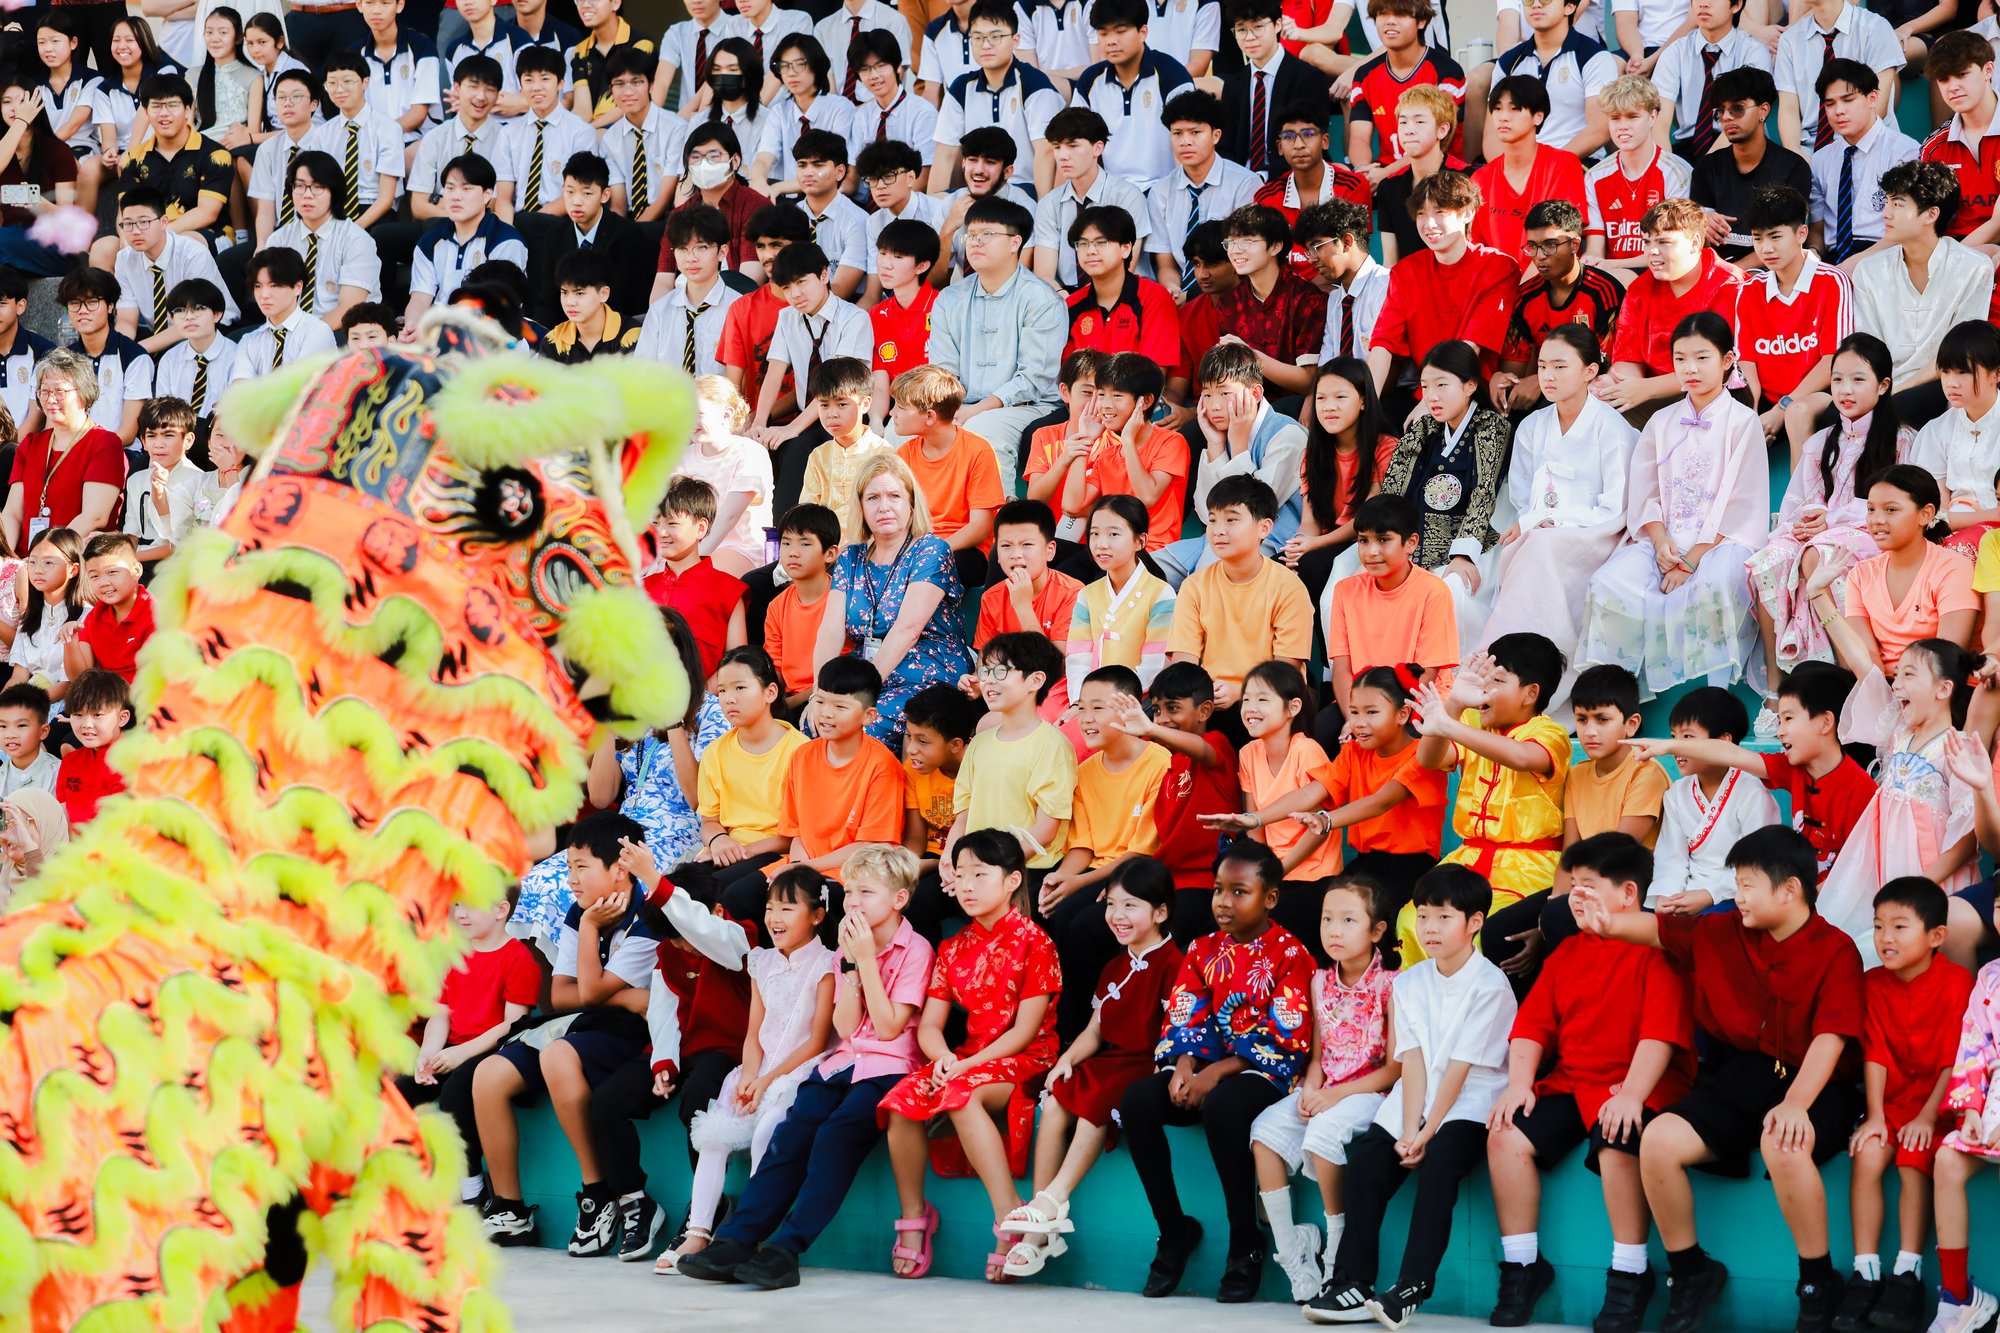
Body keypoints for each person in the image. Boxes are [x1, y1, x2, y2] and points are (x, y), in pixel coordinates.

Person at [1576, 826, 1865, 1333]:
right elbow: (1656, 931)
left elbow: (1831, 1039)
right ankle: (1691, 1272)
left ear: (1790, 889)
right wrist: (1608, 923)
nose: (1738, 895)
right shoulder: (1722, 930)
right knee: (1659, 1141)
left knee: (1783, 1141)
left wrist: (1796, 1104)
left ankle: (1818, 1283)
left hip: (1816, 1083)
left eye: (1748, 884)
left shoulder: (1836, 951)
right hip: (1738, 1074)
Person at [674, 845, 934, 1291]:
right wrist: (852, 965)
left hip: (890, 1067)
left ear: (899, 900)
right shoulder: (845, 951)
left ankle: (787, 1248)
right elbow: (846, 1025)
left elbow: (890, 1028)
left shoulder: (916, 949)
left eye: (865, 893)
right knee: (790, 1133)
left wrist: (867, 961)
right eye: (849, 893)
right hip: (842, 1064)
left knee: (835, 1136)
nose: (853, 903)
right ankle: (737, 1240)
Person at [1484, 833, 1698, 1333]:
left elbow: (1659, 1035)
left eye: (1587, 886)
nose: (1574, 897)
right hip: (1573, 1083)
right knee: (1504, 1132)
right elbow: (1532, 1027)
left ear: (1628, 895)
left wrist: (1630, 1095)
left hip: (1642, 1085)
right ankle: (1522, 1265)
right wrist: (1519, 1084)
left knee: (1618, 1137)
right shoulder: (1567, 953)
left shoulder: (1657, 951)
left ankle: (1630, 1271)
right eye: (1572, 886)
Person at [1305, 863, 1514, 1328]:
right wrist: (1408, 1125)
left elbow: (1460, 1069)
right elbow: (1414, 1060)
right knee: (1367, 1164)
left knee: (1440, 1164)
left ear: (1475, 922)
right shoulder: (1412, 982)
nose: (1429, 929)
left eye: (1443, 917)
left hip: (1471, 1102)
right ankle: (1353, 1283)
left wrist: (1427, 1130)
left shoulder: (1490, 986)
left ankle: (1413, 1284)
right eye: (1422, 916)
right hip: (1414, 1098)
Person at [1121, 838, 1313, 1302]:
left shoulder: (1290, 953)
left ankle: (1245, 1241)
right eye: (1217, 890)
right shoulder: (1203, 948)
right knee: (1137, 1101)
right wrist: (1184, 1065)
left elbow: (1285, 1035)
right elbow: (1186, 1012)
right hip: (1207, 1068)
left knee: (1226, 1106)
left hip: (1264, 1074)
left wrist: (1215, 1073)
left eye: (1239, 891)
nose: (1224, 902)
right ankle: (1173, 1233)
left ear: (1269, 897)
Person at [879, 829, 1059, 1283]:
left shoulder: (1037, 942)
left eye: (980, 874)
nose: (967, 886)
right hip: (967, 1059)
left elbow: (1024, 1032)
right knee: (901, 1102)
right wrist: (940, 1058)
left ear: (1014, 880)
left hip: (1026, 1057)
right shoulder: (953, 947)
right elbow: (932, 1026)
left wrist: (963, 1067)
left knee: (960, 1093)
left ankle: (1009, 1221)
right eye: (960, 875)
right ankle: (915, 1218)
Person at [1002, 857, 1181, 1277]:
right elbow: (1095, 1031)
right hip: (1112, 1059)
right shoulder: (1114, 966)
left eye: (1131, 906)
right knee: (1060, 1094)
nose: (1117, 916)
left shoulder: (1175, 964)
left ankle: (1054, 1199)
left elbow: (1174, 1034)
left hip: (1147, 1066)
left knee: (1096, 1098)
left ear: (1160, 912)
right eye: (1112, 904)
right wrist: (1066, 1059)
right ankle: (1039, 1229)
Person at [1579, 312, 1769, 700]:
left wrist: (1692, 558)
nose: (1690, 368)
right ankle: (1613, 699)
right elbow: (1645, 491)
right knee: (1607, 585)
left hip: (1720, 543)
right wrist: (1660, 538)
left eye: (1702, 357)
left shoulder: (1743, 421)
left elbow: (1742, 502)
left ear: (1727, 360)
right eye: (1681, 358)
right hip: (1662, 539)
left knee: (1716, 586)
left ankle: (1716, 699)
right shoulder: (1662, 420)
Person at [514, 612, 726, 954]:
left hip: (677, 835)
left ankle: (585, 986)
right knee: (534, 882)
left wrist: (673, 718)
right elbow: (600, 796)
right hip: (622, 831)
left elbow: (699, 799)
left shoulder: (711, 712)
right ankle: (544, 996)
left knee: (571, 890)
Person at [1243, 874, 1398, 1302]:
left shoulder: (1392, 984)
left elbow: (1394, 1070)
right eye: (1328, 918)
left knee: (1323, 1135)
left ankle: (1336, 1250)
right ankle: (1292, 1249)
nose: (1334, 929)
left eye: (1349, 920)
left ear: (1377, 929)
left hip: (1370, 1093)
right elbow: (1316, 1057)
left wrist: (1332, 1097)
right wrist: (1312, 1089)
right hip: (1327, 1087)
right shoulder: (1319, 980)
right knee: (1265, 1133)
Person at [674, 867, 838, 1268]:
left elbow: (818, 1041)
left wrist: (767, 1080)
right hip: (757, 1069)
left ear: (817, 915)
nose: (774, 917)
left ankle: (751, 1231)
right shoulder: (761, 963)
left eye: (787, 907)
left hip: (798, 1074)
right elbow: (754, 1033)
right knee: (714, 1133)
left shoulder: (828, 966)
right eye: (769, 907)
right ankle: (699, 1231)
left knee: (769, 1129)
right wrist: (748, 1076)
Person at [1837, 877, 1977, 1332]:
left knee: (1914, 1159)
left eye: (1899, 927)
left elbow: (1951, 1061)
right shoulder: (1872, 984)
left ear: (1936, 936)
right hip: (1892, 1101)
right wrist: (1876, 1115)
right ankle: (1865, 1272)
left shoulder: (1958, 984)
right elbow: (1874, 1052)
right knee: (1868, 1154)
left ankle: (1907, 1272)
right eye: (1878, 927)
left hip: (1937, 1106)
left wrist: (1925, 1116)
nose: (1885, 938)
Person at [1213, 662, 1447, 932]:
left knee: (1354, 913)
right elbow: (1312, 792)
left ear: (1403, 713)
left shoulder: (1420, 755)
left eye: (1371, 712)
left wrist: (1326, 820)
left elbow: (1380, 801)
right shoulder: (1354, 753)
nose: (1359, 723)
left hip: (1412, 866)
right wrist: (1254, 819)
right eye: (1355, 712)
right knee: (1323, 909)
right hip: (1366, 860)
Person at [1482, 326, 1634, 709]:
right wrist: (1538, 520)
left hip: (1598, 533)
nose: (1548, 376)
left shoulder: (1612, 427)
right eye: (1543, 366)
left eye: (1560, 366)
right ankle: (1505, 677)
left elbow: (1616, 505)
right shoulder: (1533, 426)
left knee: (1540, 547)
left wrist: (1555, 521)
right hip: (1541, 531)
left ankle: (1535, 683)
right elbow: (1521, 492)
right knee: (1531, 546)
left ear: (1590, 371)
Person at [1405, 637, 1569, 968]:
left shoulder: (1551, 733)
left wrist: (1451, 724)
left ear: (1530, 693)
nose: (1483, 688)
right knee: (1411, 920)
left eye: (1496, 680)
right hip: (1467, 860)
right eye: (1481, 678)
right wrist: (1451, 706)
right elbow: (1429, 758)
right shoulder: (1471, 723)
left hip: (1527, 868)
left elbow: (1522, 756)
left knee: (1477, 932)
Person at [1635, 662, 1872, 890]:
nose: (1779, 731)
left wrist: (1802, 905)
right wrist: (1668, 747)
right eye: (1779, 720)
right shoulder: (1792, 768)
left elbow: (1856, 872)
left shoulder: (1860, 789)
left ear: (1825, 722)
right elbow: (1728, 753)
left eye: (1788, 719)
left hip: (1836, 902)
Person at [394, 882, 541, 1209]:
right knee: (401, 1092)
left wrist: (461, 1053)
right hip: (451, 1051)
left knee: (455, 1094)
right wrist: (427, 1054)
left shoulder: (518, 958)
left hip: (491, 1054)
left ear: (501, 910)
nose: (459, 913)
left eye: (470, 905)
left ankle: (472, 1185)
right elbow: (441, 1014)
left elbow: (512, 1025)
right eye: (457, 904)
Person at [813, 452, 973, 745]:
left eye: (894, 496)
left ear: (911, 505)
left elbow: (907, 630)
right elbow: (830, 631)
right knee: (816, 725)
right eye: (873, 498)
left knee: (861, 730)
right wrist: (820, 695)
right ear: (860, 507)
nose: (884, 507)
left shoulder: (931, 550)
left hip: (927, 670)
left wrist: (863, 694)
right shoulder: (850, 556)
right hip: (866, 670)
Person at [925, 195, 1065, 483]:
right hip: (962, 405)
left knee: (983, 432)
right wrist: (949, 408)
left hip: (1029, 406)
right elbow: (942, 372)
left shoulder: (1041, 299)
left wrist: (975, 410)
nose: (975, 242)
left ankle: (995, 521)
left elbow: (1033, 378)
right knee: (898, 431)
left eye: (987, 234)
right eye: (971, 235)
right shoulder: (949, 299)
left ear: (1015, 243)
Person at [1853, 161, 1994, 428]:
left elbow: (1959, 349)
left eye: (1897, 204)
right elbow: (1867, 345)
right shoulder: (1868, 271)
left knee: (1899, 407)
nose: (1885, 213)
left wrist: (1900, 389)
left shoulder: (1973, 267)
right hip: (1885, 384)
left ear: (1930, 215)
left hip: (1943, 382)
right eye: (1886, 202)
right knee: (1833, 415)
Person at [1166, 475, 1314, 729]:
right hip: (1211, 698)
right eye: (1212, 520)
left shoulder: (1289, 587)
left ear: (1264, 528)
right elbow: (1183, 665)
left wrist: (1241, 691)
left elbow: (1286, 672)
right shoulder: (1195, 586)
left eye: (1232, 520)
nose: (1218, 530)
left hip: (1273, 698)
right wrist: (1201, 691)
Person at [941, 631, 1076, 894]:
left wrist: (993, 870)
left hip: (1026, 869)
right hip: (976, 868)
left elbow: (1045, 830)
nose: (989, 681)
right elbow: (964, 815)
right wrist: (950, 858)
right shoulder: (978, 744)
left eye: (1001, 671)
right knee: (920, 900)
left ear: (1035, 680)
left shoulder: (1053, 745)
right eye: (985, 672)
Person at [1814, 466, 1977, 682]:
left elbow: (1948, 656)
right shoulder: (1861, 574)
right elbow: (1866, 658)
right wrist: (1817, 592)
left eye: (1891, 510)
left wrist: (1904, 697)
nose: (1876, 520)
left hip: (1940, 689)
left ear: (1925, 514)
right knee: (1808, 679)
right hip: (1885, 688)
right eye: (1871, 509)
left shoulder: (1953, 568)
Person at [1367, 171, 1518, 401]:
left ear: (1468, 213)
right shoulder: (1406, 272)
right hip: (1424, 394)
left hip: (1476, 395)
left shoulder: (1498, 266)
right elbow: (1383, 344)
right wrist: (1366, 405)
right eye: (1421, 214)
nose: (1429, 224)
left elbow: (1471, 347)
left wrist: (1430, 403)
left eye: (1440, 212)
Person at [1735, 185, 1854, 463]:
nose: (1766, 248)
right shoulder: (1749, 290)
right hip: (1767, 399)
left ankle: (1800, 504)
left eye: (1776, 237)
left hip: (1821, 397)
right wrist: (1752, 415)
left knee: (1798, 412)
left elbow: (1833, 360)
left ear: (1801, 233)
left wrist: (1781, 408)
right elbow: (1747, 362)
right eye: (1757, 239)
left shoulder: (1832, 282)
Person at [1599, 201, 1746, 420]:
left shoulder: (1730, 285)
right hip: (1652, 392)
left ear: (1695, 243)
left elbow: (1723, 368)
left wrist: (1644, 389)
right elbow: (1629, 357)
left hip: (1714, 396)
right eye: (1647, 242)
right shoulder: (1641, 288)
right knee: (1596, 408)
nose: (1652, 252)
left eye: (1664, 242)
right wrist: (1619, 386)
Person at [1321, 493, 1458, 722]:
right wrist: (1355, 719)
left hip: (1418, 703)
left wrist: (1383, 723)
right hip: (1360, 703)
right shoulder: (1346, 590)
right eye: (1363, 540)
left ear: (1411, 543)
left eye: (1383, 540)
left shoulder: (1434, 591)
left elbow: (1427, 674)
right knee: (1320, 735)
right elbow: (1342, 670)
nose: (1371, 551)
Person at [1490, 201, 1624, 414]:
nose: (1539, 255)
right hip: (1547, 394)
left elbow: (1606, 368)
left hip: (1595, 396)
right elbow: (1513, 375)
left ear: (1575, 245)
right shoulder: (1524, 298)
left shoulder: (1605, 292)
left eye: (1550, 245)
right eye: (1532, 246)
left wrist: (1541, 382)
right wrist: (1502, 382)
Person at [1928, 946, 2000, 1330]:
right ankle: (1958, 1296)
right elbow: (1973, 1044)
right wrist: (1971, 1108)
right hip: (1992, 1105)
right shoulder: (1989, 974)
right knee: (1947, 1160)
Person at [1057, 351, 1189, 558]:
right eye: (1101, 394)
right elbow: (1072, 506)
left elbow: (1146, 497)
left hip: (1151, 552)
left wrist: (1127, 439)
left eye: (1117, 395)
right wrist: (1085, 441)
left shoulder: (1171, 442)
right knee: (1047, 561)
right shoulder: (1107, 455)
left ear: (1144, 402)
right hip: (1109, 550)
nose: (1106, 405)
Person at [888, 364, 1004, 588]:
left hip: (964, 551)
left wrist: (931, 551)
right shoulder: (904, 455)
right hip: (915, 546)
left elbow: (980, 528)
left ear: (930, 416)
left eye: (901, 407)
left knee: (931, 566)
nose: (892, 413)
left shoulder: (977, 450)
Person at [1688, 66, 1814, 264]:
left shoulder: (1793, 167)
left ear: (1763, 110)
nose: (1727, 117)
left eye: (1737, 108)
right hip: (1716, 269)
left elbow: (1788, 240)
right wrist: (1701, 221)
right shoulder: (1707, 167)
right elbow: (1698, 244)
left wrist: (1734, 273)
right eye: (1721, 111)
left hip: (1771, 271)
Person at [2, 352, 125, 552]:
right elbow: (12, 513)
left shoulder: (104, 442)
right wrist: (6, 558)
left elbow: (94, 516)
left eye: (59, 391)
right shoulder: (31, 445)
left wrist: (47, 556)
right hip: (27, 561)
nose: (50, 399)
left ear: (83, 394)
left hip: (75, 557)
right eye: (44, 391)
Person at [1149, 91, 1263, 297]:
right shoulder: (1160, 191)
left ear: (1215, 135)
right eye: (1177, 133)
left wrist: (1194, 296)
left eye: (1195, 132)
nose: (1185, 141)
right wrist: (1173, 290)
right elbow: (1166, 263)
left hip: (1234, 293)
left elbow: (1245, 258)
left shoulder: (1245, 183)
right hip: (1182, 295)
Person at [1579, 76, 1691, 283]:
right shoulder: (1595, 176)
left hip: (1662, 275)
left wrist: (1612, 266)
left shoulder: (1676, 172)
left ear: (1653, 117)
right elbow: (1595, 250)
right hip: (1610, 277)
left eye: (1632, 117)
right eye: (1615, 118)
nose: (1622, 126)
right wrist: (1588, 263)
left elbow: (1669, 251)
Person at [1028, 108, 1151, 292]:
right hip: (1065, 294)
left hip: (1123, 292)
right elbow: (1044, 275)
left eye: (1073, 146)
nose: (1062, 155)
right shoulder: (1049, 203)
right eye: (1057, 147)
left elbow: (1125, 267)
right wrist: (1064, 298)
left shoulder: (1127, 196)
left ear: (1097, 148)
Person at [1063, 494, 1175, 695]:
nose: (1101, 544)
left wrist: (1111, 698)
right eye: (1094, 534)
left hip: (1138, 698)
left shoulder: (1161, 594)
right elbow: (1078, 658)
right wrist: (1080, 700)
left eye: (1113, 534)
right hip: (1088, 697)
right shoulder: (1086, 595)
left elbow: (1154, 663)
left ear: (1140, 541)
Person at [1809, 61, 1920, 265]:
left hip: (1887, 256)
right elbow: (1818, 231)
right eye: (1830, 103)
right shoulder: (1820, 160)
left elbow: (1907, 231)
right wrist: (1813, 255)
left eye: (1848, 100)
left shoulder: (1904, 151)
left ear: (1873, 98)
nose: (1838, 111)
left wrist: (1849, 267)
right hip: (1833, 259)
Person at [1469, 76, 1587, 268]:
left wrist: (1522, 294)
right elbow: (1476, 248)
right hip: (1498, 288)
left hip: (1551, 286)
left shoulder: (1563, 165)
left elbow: (1560, 241)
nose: (1503, 116)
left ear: (1538, 116)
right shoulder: (1480, 178)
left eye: (1514, 109)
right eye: (1497, 109)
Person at [404, 153, 530, 329]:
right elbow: (419, 298)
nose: (456, 196)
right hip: (437, 330)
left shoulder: (505, 241)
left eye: (466, 189)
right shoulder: (430, 241)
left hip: (489, 331)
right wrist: (412, 327)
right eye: (450, 188)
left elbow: (497, 305)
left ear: (487, 195)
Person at [643, 476, 749, 681]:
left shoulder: (729, 590)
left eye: (672, 523)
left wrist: (701, 697)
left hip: (703, 703)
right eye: (656, 523)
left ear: (701, 528)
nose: (661, 532)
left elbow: (738, 659)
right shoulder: (641, 589)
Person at [1344, 0, 1464, 178]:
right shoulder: (1365, 75)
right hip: (1385, 176)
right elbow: (1359, 137)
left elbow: (1438, 143)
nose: (1390, 21)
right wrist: (1365, 170)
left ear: (1422, 21)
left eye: (1400, 14)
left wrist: (1386, 174)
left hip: (1440, 175)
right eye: (1382, 14)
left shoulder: (1446, 71)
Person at [268, 152, 386, 334]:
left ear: (334, 191)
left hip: (345, 331)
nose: (307, 195)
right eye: (299, 186)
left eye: (317, 187)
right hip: (289, 330)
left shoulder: (356, 240)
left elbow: (349, 307)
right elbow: (272, 300)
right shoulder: (278, 240)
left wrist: (304, 337)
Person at [1910, 320, 2000, 556]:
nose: (1951, 382)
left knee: (1954, 551)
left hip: (1985, 537)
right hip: (1949, 531)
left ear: (1997, 373)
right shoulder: (1936, 430)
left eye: (1963, 372)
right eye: (1946, 371)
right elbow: (1935, 514)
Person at [973, 501, 1082, 693]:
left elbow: (1055, 670)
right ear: (997, 553)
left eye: (1027, 545)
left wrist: (1023, 605)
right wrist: (977, 684)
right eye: (1006, 546)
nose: (1016, 554)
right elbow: (984, 663)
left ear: (1050, 550)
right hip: (1005, 690)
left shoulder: (1072, 593)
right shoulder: (992, 597)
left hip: (1053, 693)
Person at [1775, 0, 1904, 154]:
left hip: (1870, 144)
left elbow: (1878, 107)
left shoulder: (1876, 28)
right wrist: (1795, 153)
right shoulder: (1790, 39)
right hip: (1811, 148)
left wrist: (1836, 158)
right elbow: (1788, 108)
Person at [677, 377, 774, 578]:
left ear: (726, 414)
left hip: (742, 549)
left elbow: (728, 517)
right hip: (689, 548)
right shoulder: (684, 456)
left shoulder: (750, 453)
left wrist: (693, 559)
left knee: (694, 580)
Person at [1652, 0, 1773, 157]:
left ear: (1736, 6)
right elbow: (1658, 123)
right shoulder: (1675, 52)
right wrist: (1670, 169)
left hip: (1740, 145)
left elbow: (1743, 120)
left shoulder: (1753, 52)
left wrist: (1706, 170)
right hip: (1689, 146)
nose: (1703, 4)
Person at [1370, 85, 1467, 269]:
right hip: (1409, 289)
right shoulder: (1389, 187)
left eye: (1420, 122)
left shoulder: (1466, 179)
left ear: (1442, 130)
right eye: (1403, 122)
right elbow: (1391, 263)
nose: (1409, 130)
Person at [796, 359, 891, 546]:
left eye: (841, 404)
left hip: (870, 550)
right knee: (758, 576)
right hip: (824, 551)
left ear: (865, 404)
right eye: (824, 405)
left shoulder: (883, 454)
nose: (832, 414)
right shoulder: (819, 456)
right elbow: (807, 514)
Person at [639, 204, 737, 376]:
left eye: (701, 247)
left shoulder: (737, 309)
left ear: (722, 252)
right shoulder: (660, 311)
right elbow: (642, 374)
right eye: (682, 249)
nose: (691, 258)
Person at [764, 504, 841, 715]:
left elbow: (841, 669)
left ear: (831, 553)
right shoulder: (777, 606)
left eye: (805, 543)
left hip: (831, 696)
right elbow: (775, 669)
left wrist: (790, 704)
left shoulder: (841, 600)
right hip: (788, 699)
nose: (793, 553)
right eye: (786, 543)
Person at [867, 216, 941, 414]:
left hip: (934, 408)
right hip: (895, 413)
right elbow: (880, 385)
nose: (886, 264)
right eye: (882, 253)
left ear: (922, 266)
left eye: (898, 257)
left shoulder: (943, 307)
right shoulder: (877, 315)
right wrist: (875, 422)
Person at [124, 398, 206, 566]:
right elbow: (131, 533)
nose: (159, 444)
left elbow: (177, 544)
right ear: (144, 442)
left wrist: (131, 559)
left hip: (176, 566)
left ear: (188, 440)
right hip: (136, 563)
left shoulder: (199, 481)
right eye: (151, 436)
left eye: (168, 435)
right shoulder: (136, 480)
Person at [5, 529, 82, 707]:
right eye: (32, 562)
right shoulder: (31, 616)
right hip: (31, 701)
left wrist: (26, 707)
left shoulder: (85, 615)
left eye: (48, 562)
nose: (38, 570)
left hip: (68, 706)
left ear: (73, 569)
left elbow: (68, 683)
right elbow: (18, 676)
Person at [53, 668, 128, 827]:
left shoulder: (133, 762)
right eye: (78, 715)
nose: (87, 724)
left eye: (97, 715)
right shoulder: (71, 761)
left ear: (122, 718)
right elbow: (61, 814)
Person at [540, 249, 643, 361]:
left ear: (604, 294)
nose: (569, 302)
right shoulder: (553, 341)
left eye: (579, 293)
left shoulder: (631, 335)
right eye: (564, 292)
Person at [0, 786, 66, 911]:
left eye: (20, 822)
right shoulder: (2, 868)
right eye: (5, 824)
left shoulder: (78, 875)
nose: (11, 833)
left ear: (48, 823)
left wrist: (29, 848)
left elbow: (44, 909)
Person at [0, 683, 55, 796]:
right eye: (3, 726)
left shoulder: (59, 774)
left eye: (21, 725)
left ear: (43, 731)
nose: (10, 735)